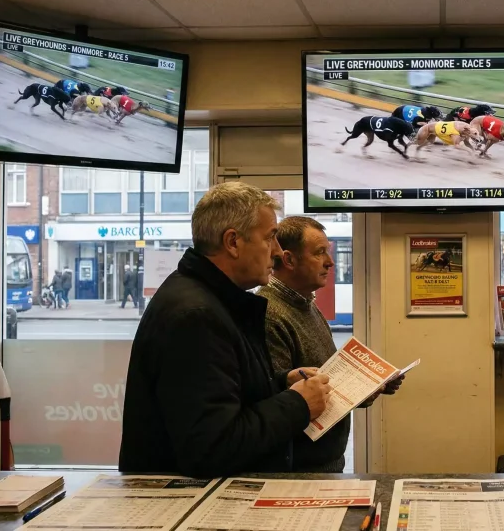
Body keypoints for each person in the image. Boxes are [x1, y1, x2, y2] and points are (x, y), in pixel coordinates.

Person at [119, 182, 332, 477]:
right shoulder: (196, 316)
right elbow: (213, 447)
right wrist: (297, 404)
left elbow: (228, 394)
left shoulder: (214, 299)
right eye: (270, 237)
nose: (277, 251)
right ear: (233, 242)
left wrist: (282, 382)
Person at [259, 216, 404, 472]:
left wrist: (366, 386)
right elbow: (278, 401)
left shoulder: (307, 305)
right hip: (299, 470)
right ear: (290, 260)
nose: (330, 262)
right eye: (320, 253)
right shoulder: (269, 315)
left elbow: (323, 380)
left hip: (326, 463)